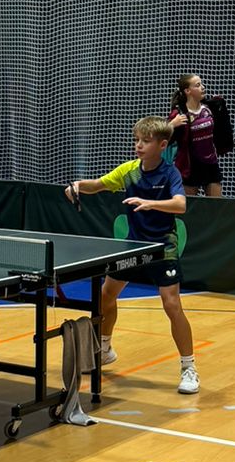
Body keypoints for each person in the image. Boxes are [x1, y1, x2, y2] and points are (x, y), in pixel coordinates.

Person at [64, 116, 198, 394]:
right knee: (106, 295)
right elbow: (98, 185)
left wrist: (150, 203)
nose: (139, 145)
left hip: (163, 247)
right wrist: (77, 186)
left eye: (145, 141)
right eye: (137, 140)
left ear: (162, 145)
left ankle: (189, 368)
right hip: (134, 246)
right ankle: (105, 348)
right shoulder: (129, 171)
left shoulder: (170, 173)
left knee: (171, 304)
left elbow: (180, 205)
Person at [166, 73, 230, 197]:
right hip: (189, 166)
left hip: (210, 164)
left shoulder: (209, 108)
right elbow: (161, 137)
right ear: (187, 91)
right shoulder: (179, 113)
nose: (203, 87)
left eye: (201, 84)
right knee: (188, 206)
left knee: (217, 204)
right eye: (198, 85)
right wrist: (172, 125)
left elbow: (222, 129)